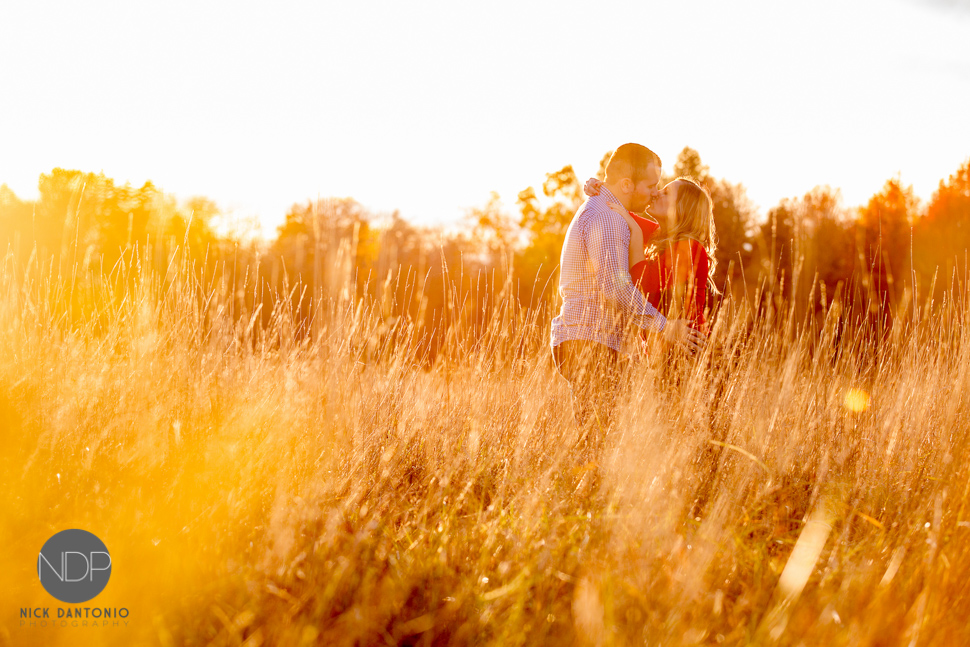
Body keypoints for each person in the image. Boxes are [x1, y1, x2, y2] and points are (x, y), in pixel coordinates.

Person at [550, 144, 706, 451]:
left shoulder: (618, 217)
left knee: (603, 438)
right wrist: (665, 326)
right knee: (599, 440)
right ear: (626, 185)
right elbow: (616, 288)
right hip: (590, 341)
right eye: (651, 186)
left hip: (603, 343)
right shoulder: (608, 218)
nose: (654, 193)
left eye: (661, 189)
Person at [584, 175, 718, 333]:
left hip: (689, 347)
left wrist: (636, 233)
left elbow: (642, 284)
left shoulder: (691, 248)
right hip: (664, 349)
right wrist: (601, 187)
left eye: (666, 193)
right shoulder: (660, 235)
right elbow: (615, 208)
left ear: (681, 208)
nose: (656, 193)